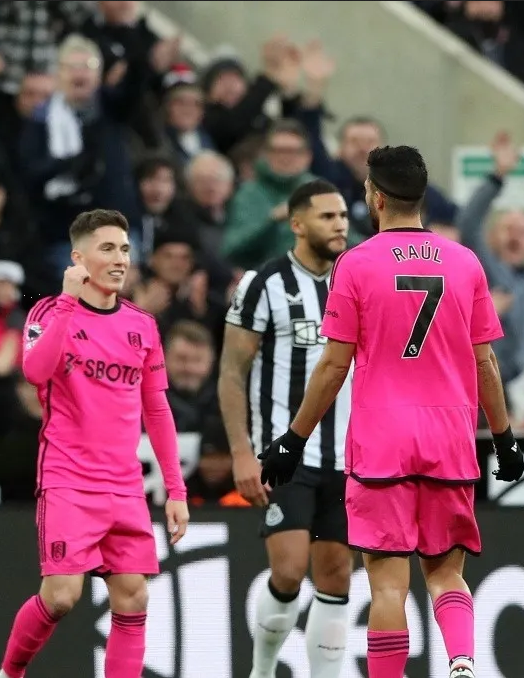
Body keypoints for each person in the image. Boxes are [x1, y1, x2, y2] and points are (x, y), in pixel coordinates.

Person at [257, 145, 524, 678]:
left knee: (386, 584)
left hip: (381, 441)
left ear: (375, 197)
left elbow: (334, 366)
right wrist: (505, 438)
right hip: (449, 435)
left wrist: (293, 438)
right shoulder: (464, 261)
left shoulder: (354, 265)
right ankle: (464, 662)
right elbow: (486, 363)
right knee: (447, 575)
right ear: (421, 196)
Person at [0, 209, 190, 678]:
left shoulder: (142, 325)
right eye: (108, 249)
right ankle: (11, 673)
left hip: (124, 485)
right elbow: (35, 372)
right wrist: (64, 302)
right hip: (68, 479)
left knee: (133, 595)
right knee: (61, 597)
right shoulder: (49, 312)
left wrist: (176, 490)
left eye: (124, 248)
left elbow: (157, 411)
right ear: (78, 258)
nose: (120, 258)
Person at [219, 179, 353, 678]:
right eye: (327, 217)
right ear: (297, 224)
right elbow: (231, 372)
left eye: (342, 216)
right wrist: (241, 453)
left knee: (337, 574)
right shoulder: (263, 284)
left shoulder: (356, 283)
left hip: (347, 457)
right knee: (290, 568)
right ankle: (262, 668)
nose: (339, 225)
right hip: (284, 455)